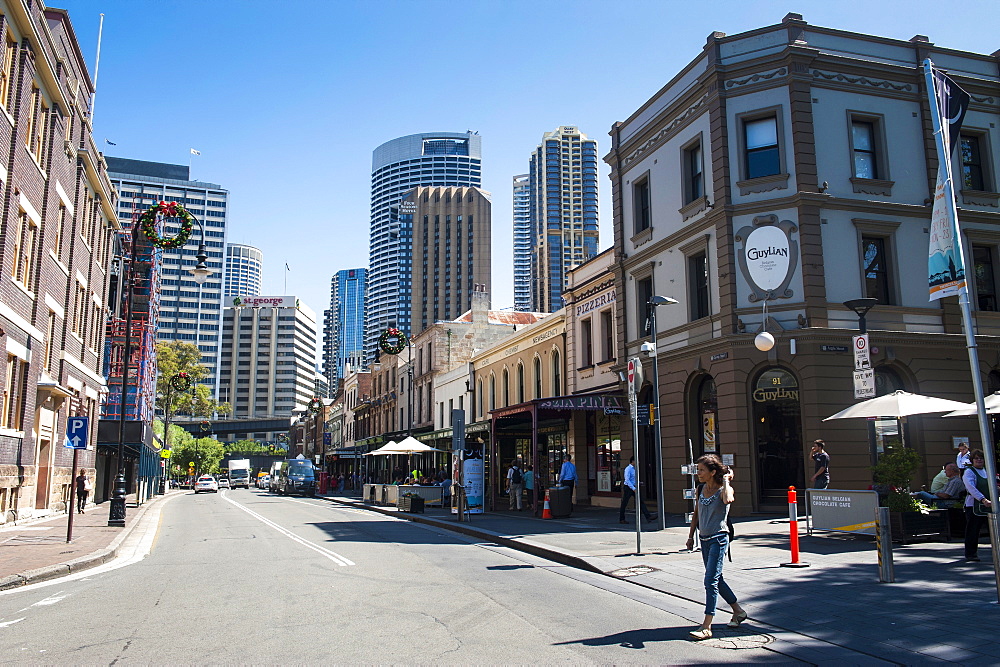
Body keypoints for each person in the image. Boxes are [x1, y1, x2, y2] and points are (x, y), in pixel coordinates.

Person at [686, 454, 747, 640]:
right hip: (703, 539)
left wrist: (727, 480)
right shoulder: (700, 488)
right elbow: (696, 513)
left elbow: (728, 500)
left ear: (713, 472)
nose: (699, 473)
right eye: (698, 470)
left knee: (710, 580)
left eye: (702, 470)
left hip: (719, 538)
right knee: (716, 579)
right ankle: (738, 611)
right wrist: (690, 536)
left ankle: (706, 626)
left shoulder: (723, 489)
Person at [963, 449, 996, 562]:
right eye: (976, 458)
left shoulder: (988, 471)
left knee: (995, 529)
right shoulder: (969, 472)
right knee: (973, 530)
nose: (979, 460)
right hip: (974, 506)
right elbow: (971, 488)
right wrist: (982, 499)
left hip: (990, 505)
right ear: (972, 460)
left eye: (981, 458)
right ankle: (971, 554)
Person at [619, 456, 656, 524]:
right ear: (633, 461)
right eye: (637, 461)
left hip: (634, 487)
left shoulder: (634, 469)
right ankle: (622, 519)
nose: (638, 462)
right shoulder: (628, 469)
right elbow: (627, 480)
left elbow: (633, 479)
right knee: (624, 503)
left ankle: (648, 516)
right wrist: (633, 488)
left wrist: (639, 483)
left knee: (641, 501)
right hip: (628, 488)